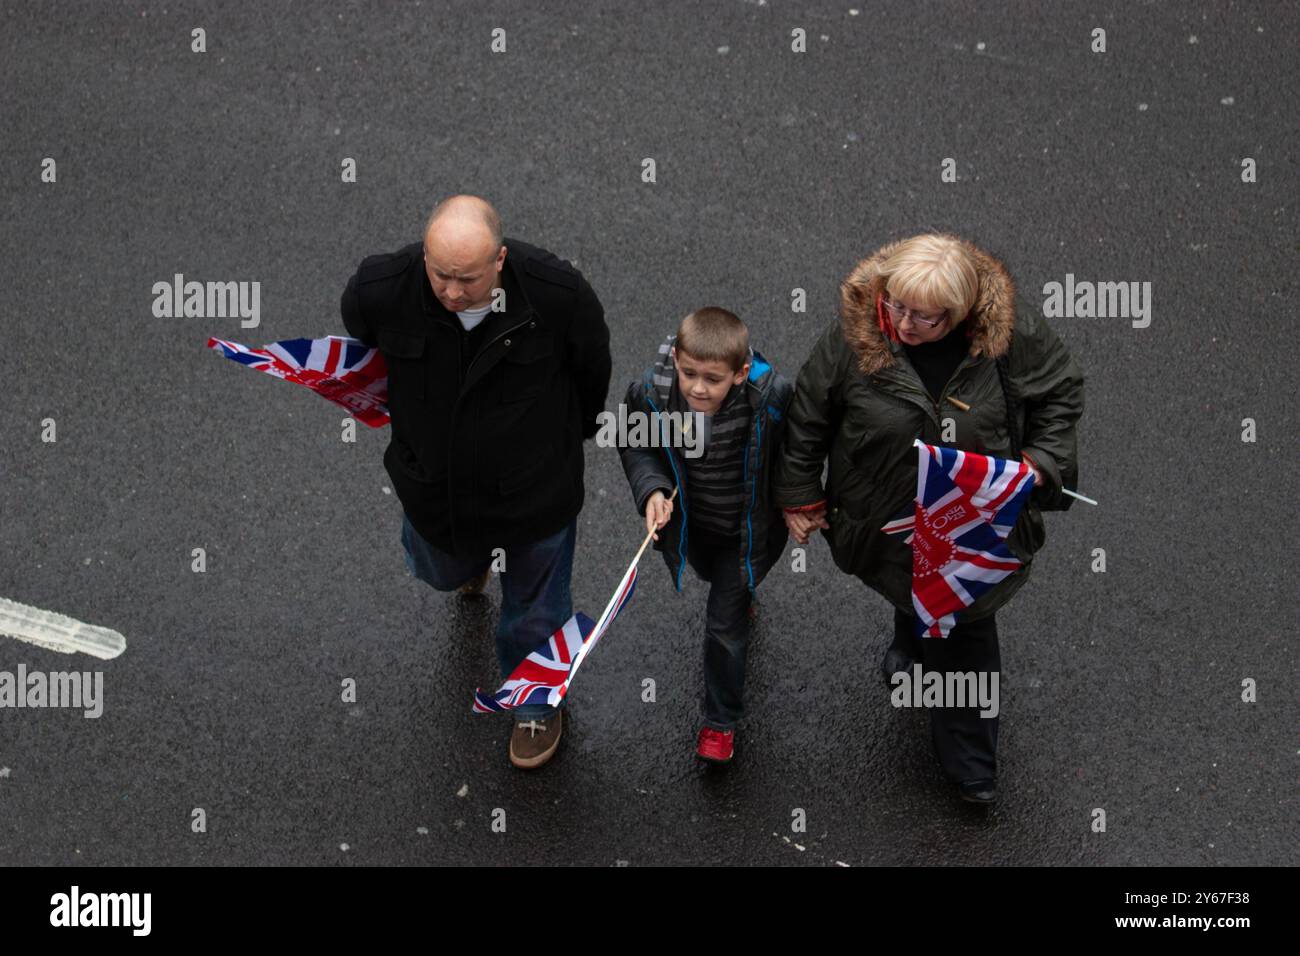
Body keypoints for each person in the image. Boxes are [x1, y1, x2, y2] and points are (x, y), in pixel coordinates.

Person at [773, 234, 1084, 803]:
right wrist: (800, 496)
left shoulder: (1012, 336)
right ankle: (913, 648)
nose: (901, 322)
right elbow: (810, 414)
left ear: (962, 314)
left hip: (974, 521)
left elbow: (1061, 393)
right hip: (885, 515)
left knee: (966, 629)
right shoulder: (855, 334)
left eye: (923, 317)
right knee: (905, 583)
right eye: (894, 303)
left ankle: (971, 764)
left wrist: (1040, 464)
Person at [340, 195, 611, 770]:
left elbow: (592, 372)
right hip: (436, 492)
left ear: (501, 260)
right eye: (439, 274)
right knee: (436, 569)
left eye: (467, 278)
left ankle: (535, 701)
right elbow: (361, 342)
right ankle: (471, 564)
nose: (452, 291)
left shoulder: (557, 296)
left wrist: (569, 437)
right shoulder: (382, 287)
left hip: (535, 495)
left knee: (535, 612)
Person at [617, 308, 793, 763]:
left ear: (739, 375)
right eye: (688, 372)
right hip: (693, 529)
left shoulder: (770, 398)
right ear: (675, 357)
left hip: (747, 534)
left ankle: (720, 722)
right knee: (711, 581)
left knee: (723, 626)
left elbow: (798, 454)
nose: (697, 387)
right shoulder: (649, 394)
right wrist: (652, 489)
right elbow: (636, 443)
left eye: (712, 379)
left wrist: (800, 503)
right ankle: (740, 593)